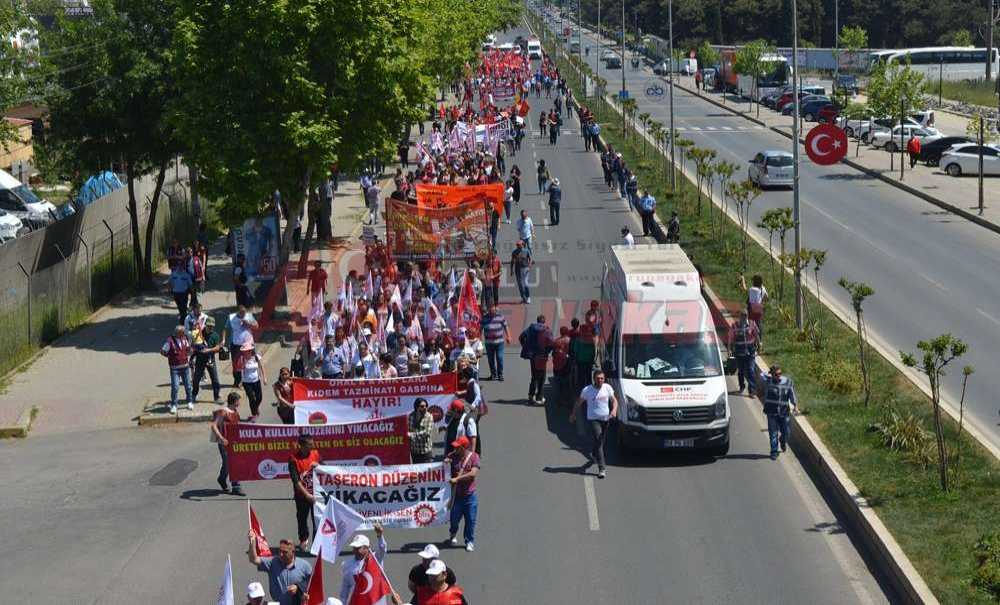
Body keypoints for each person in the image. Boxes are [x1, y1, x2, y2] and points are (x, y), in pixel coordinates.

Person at [570, 369, 619, 479]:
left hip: (606, 419)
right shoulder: (587, 390)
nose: (600, 380)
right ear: (594, 379)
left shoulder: (607, 388)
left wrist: (614, 410)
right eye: (598, 378)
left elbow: (614, 400)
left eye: (602, 378)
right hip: (593, 420)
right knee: (599, 441)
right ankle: (602, 469)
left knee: (601, 441)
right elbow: (578, 402)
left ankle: (594, 452)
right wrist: (573, 414)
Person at [247, 536, 312, 605]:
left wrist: (298, 587)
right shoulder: (273, 562)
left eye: (285, 552)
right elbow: (254, 559)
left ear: (293, 552)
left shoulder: (305, 566)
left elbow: (313, 583)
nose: (281, 554)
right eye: (280, 551)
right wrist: (252, 542)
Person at [445, 436, 480, 552]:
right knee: (454, 519)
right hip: (457, 496)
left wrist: (457, 479)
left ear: (464, 447)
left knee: (470, 520)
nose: (455, 448)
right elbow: (442, 469)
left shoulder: (474, 457)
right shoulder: (452, 456)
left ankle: (469, 541)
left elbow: (473, 474)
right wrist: (445, 463)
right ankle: (453, 533)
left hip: (470, 496)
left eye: (457, 447)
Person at [338, 526, 388, 604]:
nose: (355, 550)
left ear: (367, 548)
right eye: (354, 547)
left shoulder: (376, 558)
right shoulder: (347, 565)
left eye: (358, 547)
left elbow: (382, 548)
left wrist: (380, 535)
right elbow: (344, 591)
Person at [288, 433, 321, 550]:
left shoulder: (315, 454)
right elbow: (296, 481)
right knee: (302, 518)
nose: (312, 446)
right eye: (309, 445)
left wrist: (319, 466)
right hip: (302, 496)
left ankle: (317, 543)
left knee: (316, 519)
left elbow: (324, 470)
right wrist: (307, 495)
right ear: (302, 446)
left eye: (312, 444)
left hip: (316, 494)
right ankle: (303, 539)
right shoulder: (293, 460)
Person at [759, 364, 798, 459]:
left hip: (784, 412)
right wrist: (769, 374)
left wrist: (795, 405)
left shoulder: (788, 382)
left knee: (787, 433)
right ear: (772, 375)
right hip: (771, 412)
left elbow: (791, 394)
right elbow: (761, 374)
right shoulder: (768, 381)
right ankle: (774, 451)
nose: (779, 376)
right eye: (776, 374)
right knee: (773, 433)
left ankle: (782, 440)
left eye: (780, 373)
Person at [211, 391, 245, 496]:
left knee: (233, 463)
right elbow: (214, 425)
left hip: (234, 442)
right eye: (238, 400)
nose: (239, 403)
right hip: (224, 442)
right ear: (234, 401)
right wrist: (221, 438)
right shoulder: (223, 412)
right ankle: (234, 485)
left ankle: (232, 484)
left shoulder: (235, 411)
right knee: (228, 463)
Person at [161, 325, 193, 414]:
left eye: (184, 333)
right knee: (175, 387)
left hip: (185, 367)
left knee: (188, 386)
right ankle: (174, 405)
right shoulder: (170, 341)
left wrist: (190, 352)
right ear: (178, 333)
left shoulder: (184, 339)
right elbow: (163, 351)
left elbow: (187, 349)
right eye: (182, 333)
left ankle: (189, 401)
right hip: (175, 369)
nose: (184, 334)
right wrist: (170, 357)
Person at [224, 305, 259, 386]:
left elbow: (256, 326)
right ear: (238, 312)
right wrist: (223, 340)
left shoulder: (249, 316)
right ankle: (237, 381)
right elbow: (226, 328)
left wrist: (248, 323)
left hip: (248, 344)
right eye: (241, 313)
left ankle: (249, 379)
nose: (243, 314)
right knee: (236, 364)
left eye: (244, 313)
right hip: (236, 344)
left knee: (249, 362)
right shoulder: (231, 317)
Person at [728, 310, 760, 395]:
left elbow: (756, 335)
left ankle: (752, 391)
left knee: (751, 370)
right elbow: (730, 339)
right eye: (742, 315)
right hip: (739, 353)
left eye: (745, 315)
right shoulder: (734, 326)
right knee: (741, 371)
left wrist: (759, 345)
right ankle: (742, 387)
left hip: (750, 352)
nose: (744, 317)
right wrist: (729, 349)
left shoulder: (752, 324)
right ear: (739, 316)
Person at [192, 317, 222, 403]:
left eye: (212, 326)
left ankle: (216, 397)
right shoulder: (199, 333)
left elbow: (217, 348)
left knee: (215, 379)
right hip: (200, 360)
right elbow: (193, 344)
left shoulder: (215, 335)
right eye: (209, 326)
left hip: (210, 360)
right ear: (206, 325)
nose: (211, 328)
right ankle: (194, 394)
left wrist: (208, 350)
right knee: (196, 379)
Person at [523, 315, 552, 405]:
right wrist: (547, 351)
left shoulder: (531, 328)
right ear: (544, 321)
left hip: (533, 356)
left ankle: (531, 396)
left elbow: (521, 337)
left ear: (537, 321)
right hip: (542, 356)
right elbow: (551, 343)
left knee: (534, 376)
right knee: (542, 377)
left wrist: (526, 347)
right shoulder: (547, 330)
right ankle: (539, 397)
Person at [480, 303, 510, 381]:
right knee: (491, 359)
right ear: (488, 309)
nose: (491, 311)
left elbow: (506, 326)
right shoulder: (484, 318)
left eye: (493, 309)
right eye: (490, 309)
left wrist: (508, 336)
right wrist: (479, 340)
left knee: (499, 357)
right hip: (489, 343)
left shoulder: (500, 317)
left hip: (499, 342)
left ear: (495, 309)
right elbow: (480, 329)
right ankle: (493, 374)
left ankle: (500, 374)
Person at [241, 345, 267, 420]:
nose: (245, 352)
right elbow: (240, 370)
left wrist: (264, 378)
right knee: (251, 398)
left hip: (256, 380)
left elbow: (262, 366)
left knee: (259, 398)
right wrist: (240, 381)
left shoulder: (256, 357)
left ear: (250, 351)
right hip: (247, 382)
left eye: (246, 351)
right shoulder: (242, 358)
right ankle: (254, 414)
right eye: (244, 351)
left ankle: (255, 408)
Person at [744, 273, 769, 347]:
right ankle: (760, 341)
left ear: (754, 282)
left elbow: (745, 289)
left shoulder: (752, 289)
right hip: (759, 307)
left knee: (751, 324)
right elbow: (767, 298)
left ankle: (753, 342)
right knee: (758, 324)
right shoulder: (763, 288)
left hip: (752, 308)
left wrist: (742, 280)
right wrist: (761, 299)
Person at [409, 397, 434, 463]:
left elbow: (426, 433)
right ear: (417, 407)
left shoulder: (429, 416)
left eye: (426, 406)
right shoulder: (411, 416)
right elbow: (408, 430)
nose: (425, 408)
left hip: (425, 452)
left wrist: (412, 435)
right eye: (422, 406)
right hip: (415, 452)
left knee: (428, 472)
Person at [510, 239, 533, 304]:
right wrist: (511, 270)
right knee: (520, 285)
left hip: (525, 268)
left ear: (522, 245)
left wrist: (529, 266)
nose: (517, 246)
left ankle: (528, 297)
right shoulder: (514, 252)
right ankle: (523, 298)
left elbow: (530, 259)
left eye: (519, 245)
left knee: (525, 283)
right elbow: (512, 261)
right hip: (517, 269)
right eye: (517, 245)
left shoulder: (526, 251)